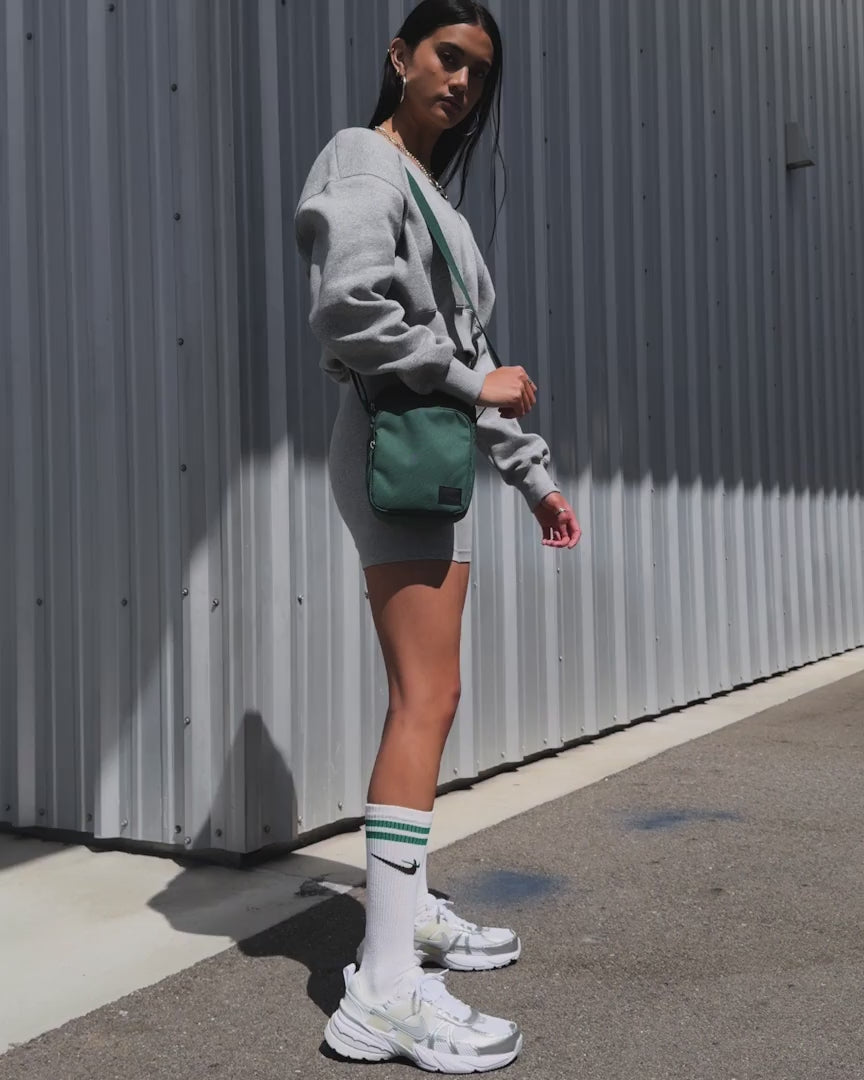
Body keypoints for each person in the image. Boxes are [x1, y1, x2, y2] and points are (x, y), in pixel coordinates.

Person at [295, 0, 581, 1070]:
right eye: (446, 57)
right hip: (396, 448)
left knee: (432, 695)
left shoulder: (429, 191)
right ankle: (382, 990)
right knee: (427, 697)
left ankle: (403, 911)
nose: (462, 82)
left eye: (479, 72)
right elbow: (349, 310)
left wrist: (531, 475)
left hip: (430, 454)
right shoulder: (363, 159)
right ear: (400, 57)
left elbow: (471, 352)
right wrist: (471, 384)